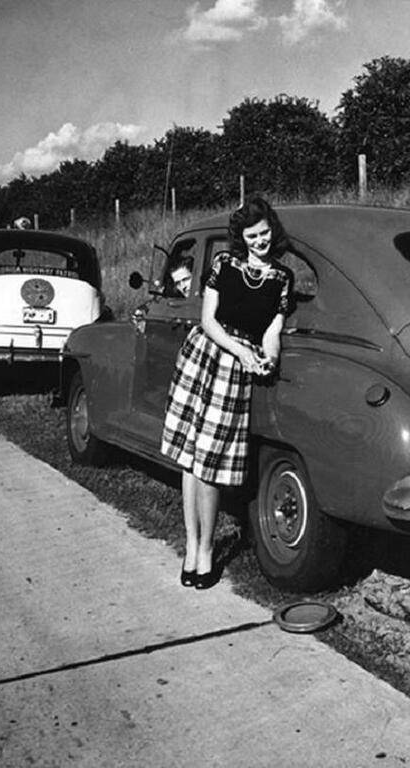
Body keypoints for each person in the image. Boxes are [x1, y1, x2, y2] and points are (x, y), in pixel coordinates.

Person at [160, 196, 293, 590]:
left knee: (211, 464)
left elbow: (273, 330)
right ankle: (192, 545)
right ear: (242, 238)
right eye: (252, 236)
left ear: (273, 230)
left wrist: (266, 358)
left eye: (265, 233)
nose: (260, 241)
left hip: (236, 372)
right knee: (190, 460)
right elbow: (208, 320)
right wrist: (240, 352)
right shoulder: (223, 265)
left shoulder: (282, 278)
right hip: (206, 356)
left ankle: (206, 550)